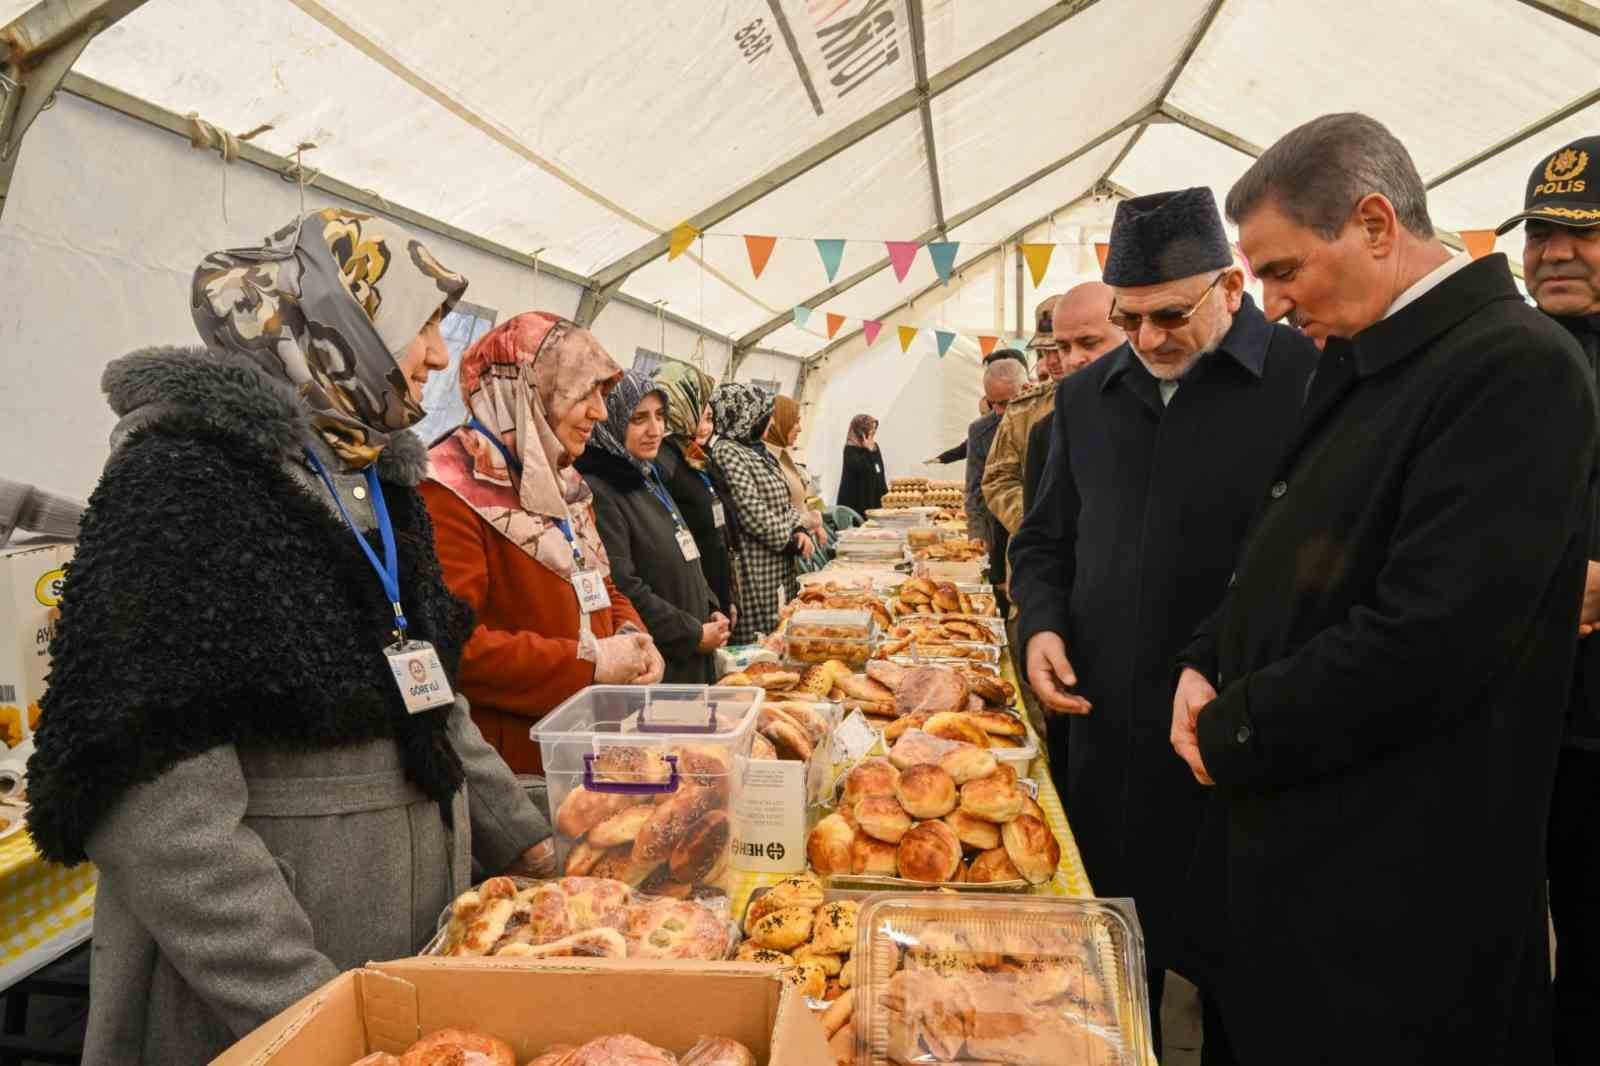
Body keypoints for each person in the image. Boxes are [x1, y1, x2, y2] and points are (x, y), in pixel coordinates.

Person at [24, 210, 554, 1065]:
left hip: (400, 976)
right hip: (259, 1013)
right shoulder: (184, 485)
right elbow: (155, 808)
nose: (438, 356)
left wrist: (532, 845)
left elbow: (431, 697)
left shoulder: (374, 480)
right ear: (339, 330)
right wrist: (314, 1016)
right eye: (421, 328)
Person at [1169, 113, 1596, 1065]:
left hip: (1394, 913)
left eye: (1283, 271)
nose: (1271, 305)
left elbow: (1433, 638)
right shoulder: (1365, 355)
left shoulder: (1515, 367)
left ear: (1373, 224)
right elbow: (1284, 549)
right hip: (1292, 871)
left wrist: (1235, 727)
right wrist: (1205, 658)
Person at [1009, 187, 1315, 1062]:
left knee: (1245, 985)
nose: (1148, 341)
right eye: (1128, 319)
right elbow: (1043, 541)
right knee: (1110, 972)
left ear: (1229, 285)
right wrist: (1041, 625)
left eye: (1170, 316)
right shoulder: (1086, 399)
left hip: (1240, 736)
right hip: (1109, 736)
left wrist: (1220, 660)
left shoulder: (1305, 380)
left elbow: (1312, 559)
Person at [423, 313, 661, 774]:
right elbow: (459, 647)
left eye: (602, 394)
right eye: (582, 393)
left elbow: (602, 585)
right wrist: (588, 665)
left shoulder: (562, 482)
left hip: (588, 743)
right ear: (528, 389)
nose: (600, 412)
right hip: (516, 764)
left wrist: (632, 636)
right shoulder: (449, 490)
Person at [1495, 134, 1600, 1065]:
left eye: (1586, 233)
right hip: (1503, 714)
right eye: (1542, 230)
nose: (1556, 250)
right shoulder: (1504, 355)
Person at [575, 371, 727, 684]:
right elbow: (625, 585)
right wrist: (692, 632)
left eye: (660, 416)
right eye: (639, 419)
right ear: (611, 420)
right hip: (662, 664)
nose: (655, 430)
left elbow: (684, 549)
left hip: (692, 650)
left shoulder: (646, 474)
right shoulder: (601, 489)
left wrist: (710, 605)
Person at [983, 284, 1122, 539]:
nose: (1054, 360)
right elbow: (997, 479)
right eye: (1045, 352)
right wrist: (1036, 518)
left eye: (1055, 350)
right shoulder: (1024, 410)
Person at [711, 383, 814, 643]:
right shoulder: (727, 451)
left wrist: (799, 528)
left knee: (782, 630)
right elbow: (751, 510)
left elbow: (783, 499)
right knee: (764, 639)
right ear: (746, 415)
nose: (768, 421)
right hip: (757, 567)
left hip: (779, 565)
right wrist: (789, 540)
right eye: (762, 415)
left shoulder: (756, 450)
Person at [653, 360, 739, 623]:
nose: (703, 416)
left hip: (714, 588)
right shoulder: (663, 459)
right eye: (698, 404)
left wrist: (729, 597)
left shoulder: (692, 452)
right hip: (692, 601)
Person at [967, 356, 1030, 609]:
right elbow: (975, 487)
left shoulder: (1045, 420)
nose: (1000, 411)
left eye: (1006, 402)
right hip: (998, 528)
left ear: (1026, 389)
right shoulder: (980, 430)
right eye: (994, 404)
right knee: (1002, 603)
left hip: (1033, 525)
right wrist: (978, 532)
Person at [764, 394, 825, 540]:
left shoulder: (783, 455)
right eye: (795, 421)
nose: (800, 428)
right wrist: (809, 520)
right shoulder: (766, 459)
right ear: (780, 422)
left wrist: (815, 524)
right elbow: (776, 515)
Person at [836, 413, 888, 515]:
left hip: (874, 497)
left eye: (874, 430)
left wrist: (872, 451)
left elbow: (879, 471)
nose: (873, 432)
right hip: (857, 501)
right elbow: (863, 470)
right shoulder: (850, 449)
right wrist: (868, 451)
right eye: (870, 429)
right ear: (861, 431)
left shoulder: (874, 447)